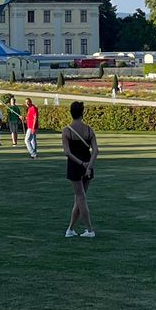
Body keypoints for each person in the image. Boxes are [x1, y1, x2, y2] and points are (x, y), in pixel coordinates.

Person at [63, 100, 98, 238]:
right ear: (82, 113)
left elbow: (67, 152)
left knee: (80, 197)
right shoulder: (89, 130)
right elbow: (96, 151)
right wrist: (88, 166)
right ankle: (70, 229)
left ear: (71, 113)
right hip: (87, 165)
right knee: (80, 197)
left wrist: (83, 164)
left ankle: (89, 230)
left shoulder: (66, 131)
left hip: (75, 166)